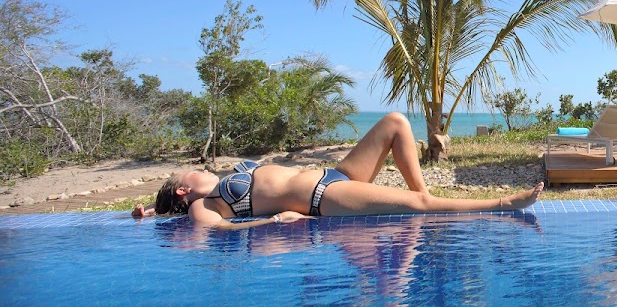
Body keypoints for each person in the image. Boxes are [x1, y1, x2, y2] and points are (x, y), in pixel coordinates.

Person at [133, 112, 543, 229]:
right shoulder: (204, 206)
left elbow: (163, 209)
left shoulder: (225, 178)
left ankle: (424, 200)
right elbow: (220, 230)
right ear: (184, 191)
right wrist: (274, 220)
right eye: (184, 176)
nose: (190, 171)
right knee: (416, 203)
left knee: (396, 123)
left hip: (335, 174)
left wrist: (151, 210)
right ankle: (503, 203)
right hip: (322, 198)